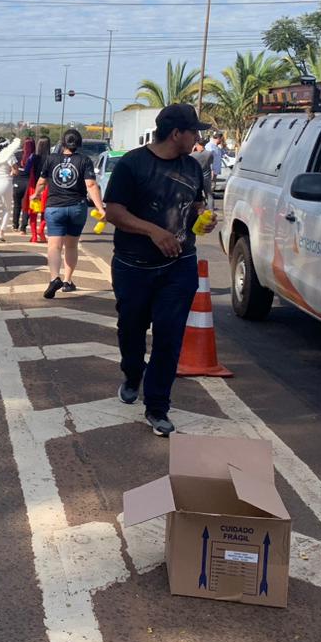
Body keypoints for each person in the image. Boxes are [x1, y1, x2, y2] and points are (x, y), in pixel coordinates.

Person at [103, 103, 215, 437]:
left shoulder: (193, 168)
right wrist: (153, 230)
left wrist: (203, 221)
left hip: (179, 267)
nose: (199, 138)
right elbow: (113, 212)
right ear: (176, 133)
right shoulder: (132, 164)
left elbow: (195, 208)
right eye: (194, 131)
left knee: (169, 337)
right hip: (133, 267)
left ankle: (157, 407)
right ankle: (132, 373)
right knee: (131, 331)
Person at [33, 129, 106, 298]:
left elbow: (41, 182)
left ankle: (54, 278)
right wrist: (100, 208)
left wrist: (35, 195)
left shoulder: (51, 159)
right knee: (71, 246)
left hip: (54, 208)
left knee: (54, 246)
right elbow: (91, 186)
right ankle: (67, 281)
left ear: (63, 143)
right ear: (79, 144)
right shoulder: (84, 160)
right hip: (77, 207)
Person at [25, 136, 52, 243]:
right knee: (45, 213)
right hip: (47, 188)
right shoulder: (52, 158)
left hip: (34, 187)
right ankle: (41, 230)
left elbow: (26, 170)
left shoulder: (33, 157)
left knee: (33, 214)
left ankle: (34, 236)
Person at [13, 138, 36, 232]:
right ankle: (23, 228)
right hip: (28, 183)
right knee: (26, 206)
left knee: (17, 205)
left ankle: (15, 225)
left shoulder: (17, 155)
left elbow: (13, 169)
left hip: (17, 182)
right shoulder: (34, 157)